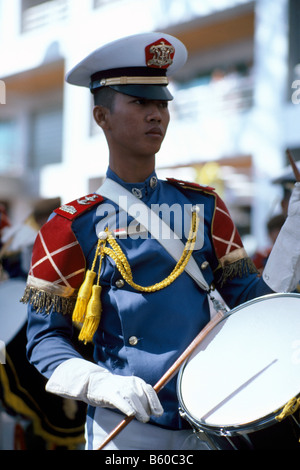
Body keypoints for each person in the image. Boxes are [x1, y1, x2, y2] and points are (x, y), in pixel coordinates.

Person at [23, 32, 300, 451]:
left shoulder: (205, 207)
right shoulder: (70, 225)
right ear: (102, 117)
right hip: (126, 428)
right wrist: (98, 383)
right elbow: (43, 340)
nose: (156, 115)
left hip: (215, 416)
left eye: (161, 103)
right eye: (139, 102)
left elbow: (252, 302)